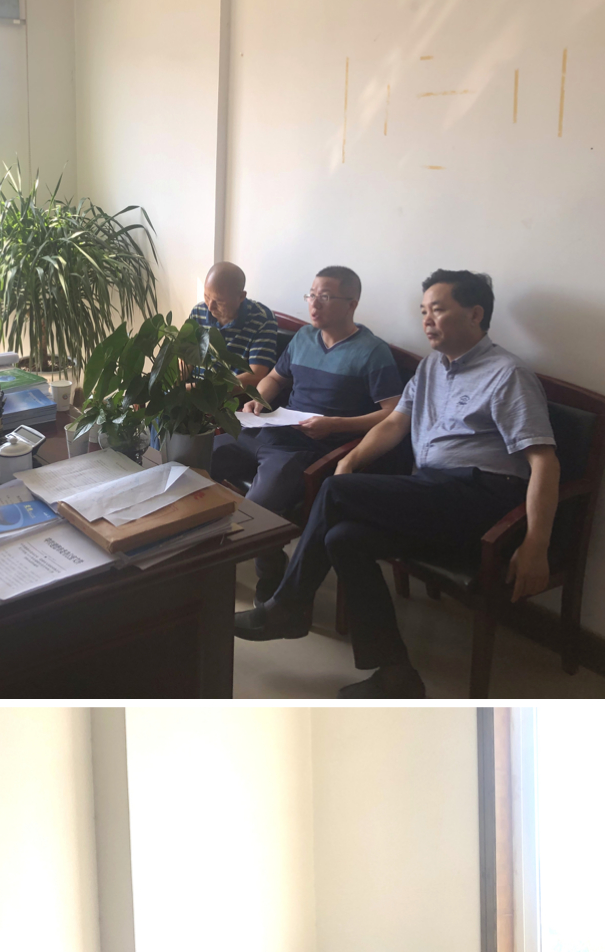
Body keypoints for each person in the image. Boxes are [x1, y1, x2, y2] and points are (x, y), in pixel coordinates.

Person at [234, 270, 560, 698]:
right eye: (423, 311)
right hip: (432, 491)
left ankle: (288, 607)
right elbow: (393, 425)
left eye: (437, 310)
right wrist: (348, 461)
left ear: (475, 314)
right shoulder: (431, 368)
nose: (426, 320)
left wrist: (536, 543)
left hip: (482, 497)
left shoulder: (507, 374)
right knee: (344, 538)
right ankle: (396, 674)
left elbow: (544, 462)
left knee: (335, 491)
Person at [212, 265, 403, 600]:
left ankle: (271, 574)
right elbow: (275, 378)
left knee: (258, 507)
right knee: (199, 456)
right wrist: (258, 400)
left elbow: (393, 412)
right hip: (271, 430)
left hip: (310, 448)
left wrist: (335, 424)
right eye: (311, 295)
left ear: (351, 304)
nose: (314, 304)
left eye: (325, 297)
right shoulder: (303, 338)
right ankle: (196, 557)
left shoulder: (372, 352)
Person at [187, 262, 278, 394]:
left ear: (241, 297)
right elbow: (186, 358)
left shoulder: (262, 319)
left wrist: (202, 390)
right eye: (207, 297)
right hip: (193, 391)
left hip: (231, 397)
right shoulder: (198, 311)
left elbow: (256, 376)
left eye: (219, 301)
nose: (210, 307)